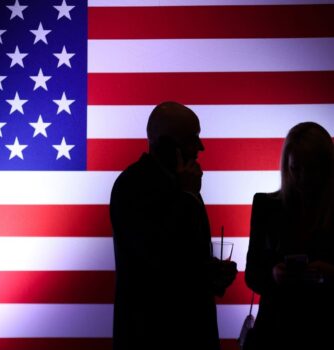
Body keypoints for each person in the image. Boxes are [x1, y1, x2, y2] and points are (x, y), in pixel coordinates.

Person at [110, 101, 237, 350]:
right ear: (167, 145)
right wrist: (188, 196)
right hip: (153, 337)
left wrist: (211, 274)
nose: (200, 147)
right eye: (192, 139)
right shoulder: (132, 186)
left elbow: (184, 257)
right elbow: (158, 258)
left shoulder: (182, 183)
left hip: (191, 333)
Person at [244, 122, 334, 350]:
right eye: (296, 168)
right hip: (274, 333)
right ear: (286, 166)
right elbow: (252, 274)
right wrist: (273, 275)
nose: (303, 177)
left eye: (311, 169)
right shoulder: (266, 206)